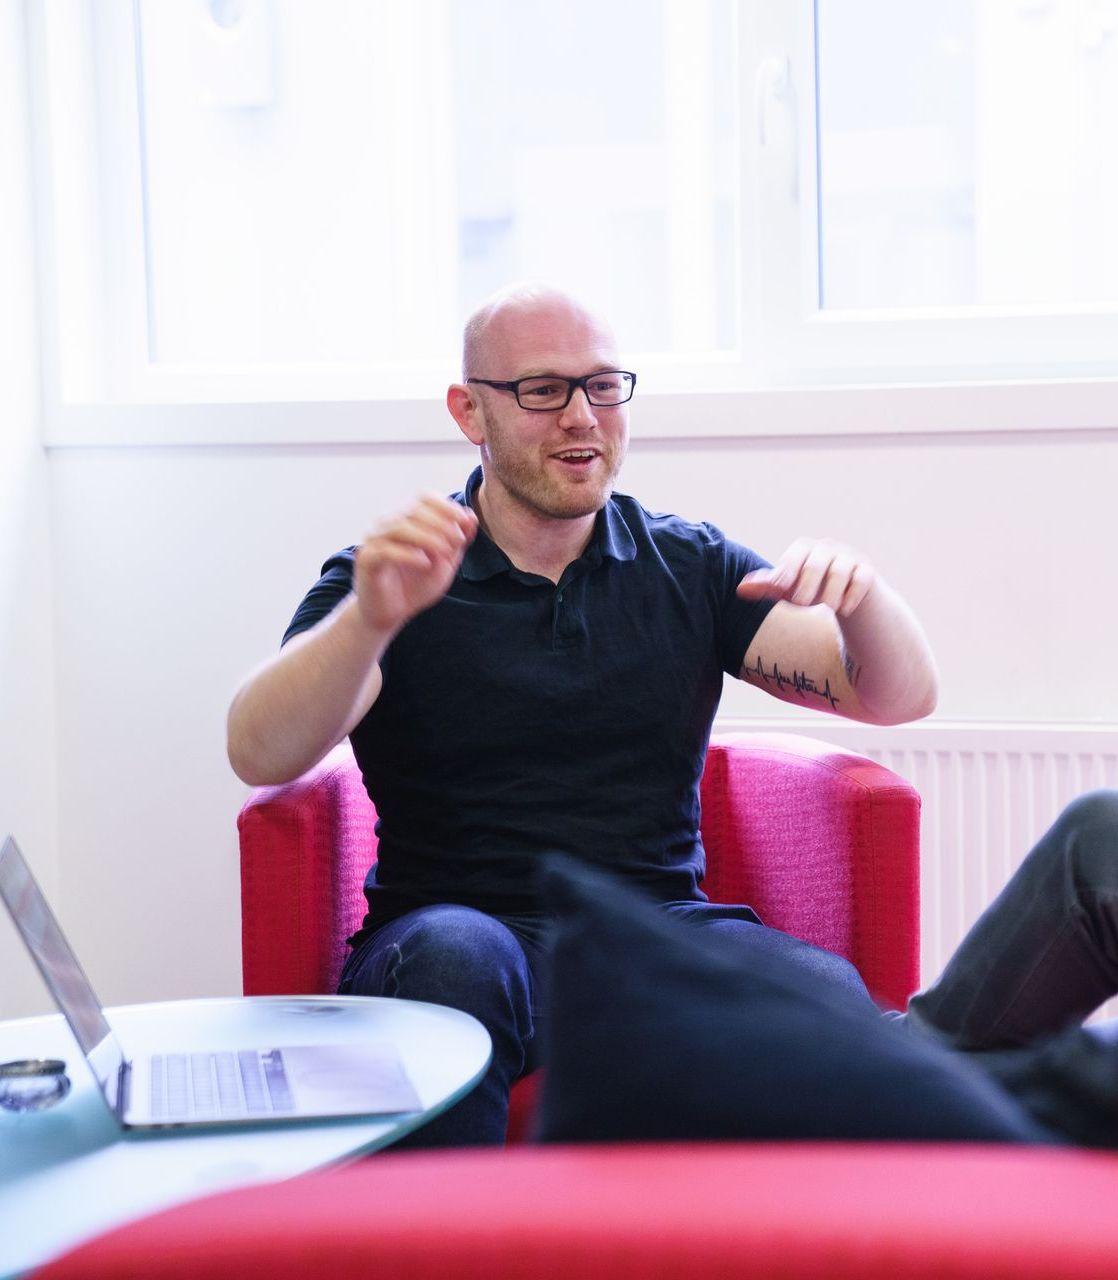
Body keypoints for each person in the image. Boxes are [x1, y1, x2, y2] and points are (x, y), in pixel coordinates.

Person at [227, 283, 1118, 1146]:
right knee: (462, 954)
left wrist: (864, 601)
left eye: (603, 385)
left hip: (656, 932)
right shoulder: (397, 574)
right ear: (471, 411)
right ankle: (436, 1229)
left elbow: (898, 696)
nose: (582, 417)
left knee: (819, 992)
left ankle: (899, 1177)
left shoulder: (687, 566)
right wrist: (372, 619)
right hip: (453, 937)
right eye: (543, 391)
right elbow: (259, 750)